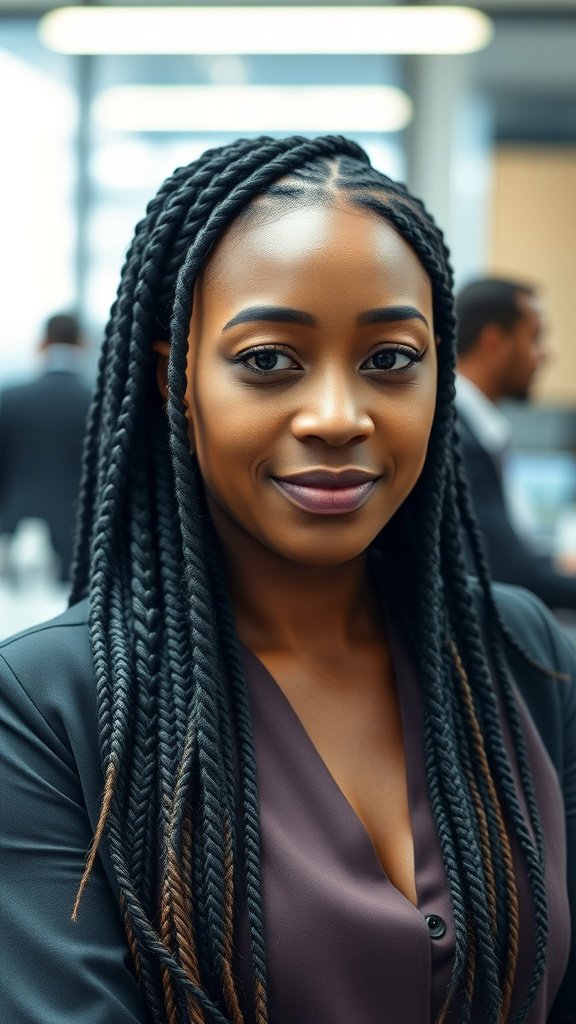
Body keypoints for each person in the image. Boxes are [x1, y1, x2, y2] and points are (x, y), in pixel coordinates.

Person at [0, 136, 574, 1024]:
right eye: (268, 360)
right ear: (174, 382)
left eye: (391, 359)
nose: (338, 417)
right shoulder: (50, 707)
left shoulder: (518, 654)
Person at [455, 276, 576, 611]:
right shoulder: (457, 438)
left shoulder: (475, 427)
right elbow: (511, 574)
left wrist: (557, 562)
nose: (545, 355)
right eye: (534, 338)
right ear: (494, 341)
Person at [0, 312, 92, 581]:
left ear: (41, 344)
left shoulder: (8, 400)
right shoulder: (97, 404)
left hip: (10, 541)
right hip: (80, 545)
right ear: (83, 343)